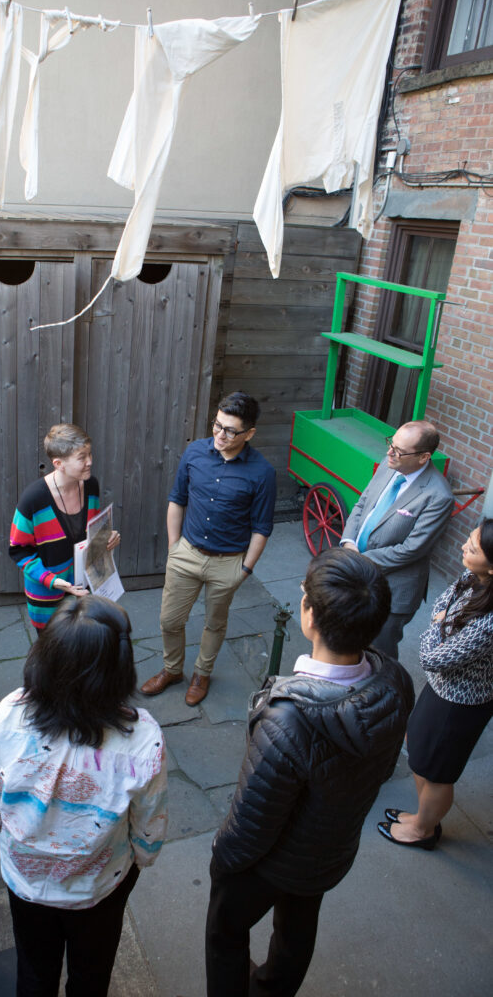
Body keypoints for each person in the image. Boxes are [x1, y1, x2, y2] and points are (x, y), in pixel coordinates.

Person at [205, 548, 414, 997]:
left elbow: (250, 826)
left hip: (271, 862)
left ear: (310, 616)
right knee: (298, 929)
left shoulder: (288, 718)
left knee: (225, 934)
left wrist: (221, 859)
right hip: (330, 849)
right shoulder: (395, 681)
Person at [0, 595, 167, 997]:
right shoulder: (142, 738)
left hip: (24, 879)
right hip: (99, 886)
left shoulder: (7, 714)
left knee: (33, 970)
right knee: (91, 975)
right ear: (119, 668)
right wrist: (141, 858)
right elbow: (148, 830)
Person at [141, 391, 276, 706]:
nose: (221, 435)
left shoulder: (262, 473)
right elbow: (177, 499)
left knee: (215, 623)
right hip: (186, 554)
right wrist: (175, 547)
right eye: (217, 426)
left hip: (228, 563)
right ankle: (172, 670)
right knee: (169, 621)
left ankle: (202, 674)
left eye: (231, 431)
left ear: (250, 433)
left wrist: (244, 570)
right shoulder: (194, 453)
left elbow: (262, 528)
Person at [378, 519, 493, 849]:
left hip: (460, 704)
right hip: (443, 689)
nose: (463, 548)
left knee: (438, 770)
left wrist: (438, 627)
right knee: (420, 755)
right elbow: (446, 599)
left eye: (472, 547)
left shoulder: (489, 620)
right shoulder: (474, 577)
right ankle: (422, 818)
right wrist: (442, 623)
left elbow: (433, 658)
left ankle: (423, 831)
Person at [341, 420, 454, 659]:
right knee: (350, 640)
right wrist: (348, 541)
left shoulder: (439, 496)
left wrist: (359, 559)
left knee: (378, 653)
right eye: (391, 443)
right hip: (357, 570)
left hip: (393, 590)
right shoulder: (388, 464)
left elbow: (412, 549)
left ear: (423, 457)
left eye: (399, 451)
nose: (389, 452)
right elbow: (363, 504)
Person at [9, 423, 120, 632]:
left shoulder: (91, 486)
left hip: (84, 592)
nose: (90, 462)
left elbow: (91, 532)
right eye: (82, 457)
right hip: (48, 598)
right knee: (54, 657)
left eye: (89, 454)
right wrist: (54, 581)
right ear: (58, 463)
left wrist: (107, 536)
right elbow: (19, 550)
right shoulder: (33, 499)